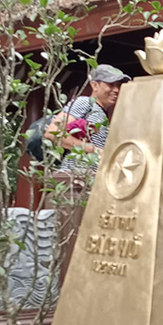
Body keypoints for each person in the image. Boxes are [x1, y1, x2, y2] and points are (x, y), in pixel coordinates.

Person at [44, 64, 130, 278]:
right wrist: (91, 149)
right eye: (110, 84)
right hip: (74, 182)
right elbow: (53, 133)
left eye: (118, 85)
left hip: (90, 183)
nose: (116, 90)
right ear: (95, 85)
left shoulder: (101, 113)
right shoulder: (84, 103)